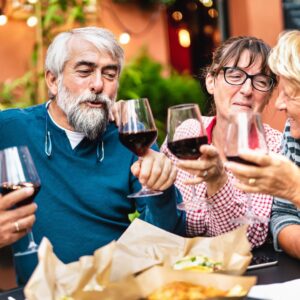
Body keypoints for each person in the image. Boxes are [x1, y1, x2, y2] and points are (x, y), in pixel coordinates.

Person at [0, 27, 185, 285]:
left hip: (114, 290)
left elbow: (167, 238)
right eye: (85, 72)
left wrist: (161, 191)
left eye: (110, 74)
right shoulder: (10, 129)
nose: (98, 84)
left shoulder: (130, 140)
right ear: (53, 81)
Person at [161, 36, 282, 248]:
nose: (246, 90)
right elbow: (162, 219)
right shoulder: (187, 133)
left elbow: (248, 238)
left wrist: (218, 183)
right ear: (211, 82)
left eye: (261, 81)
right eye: (235, 75)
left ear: (269, 94)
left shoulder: (275, 148)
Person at [226, 30, 300, 259]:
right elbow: (283, 215)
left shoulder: (272, 141)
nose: (278, 104)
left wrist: (296, 189)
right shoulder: (294, 133)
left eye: (290, 94)